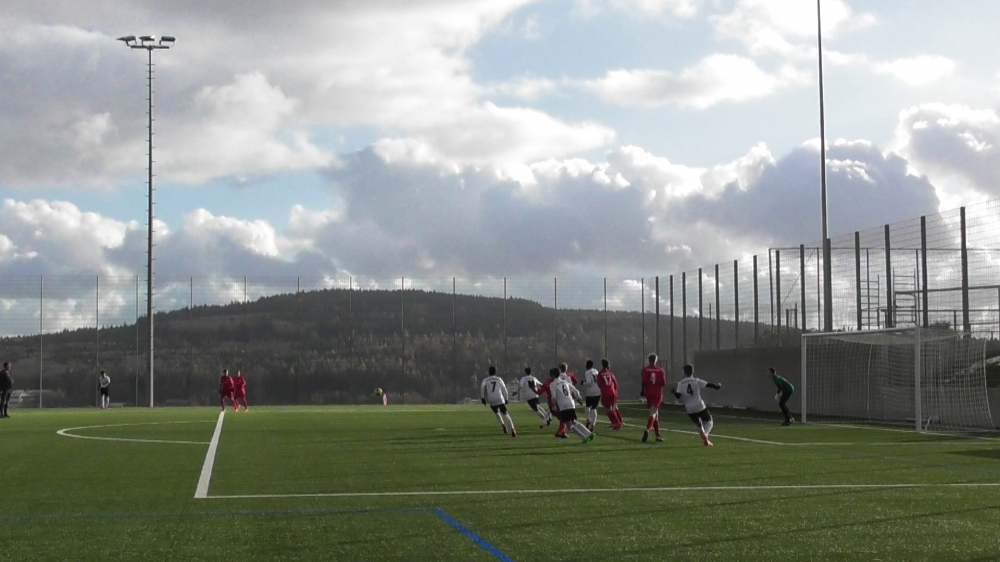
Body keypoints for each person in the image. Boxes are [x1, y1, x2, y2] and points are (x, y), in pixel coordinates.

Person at [673, 364, 722, 447]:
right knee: (709, 421)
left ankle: (705, 438)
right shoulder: (696, 380)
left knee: (699, 424)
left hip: (689, 408)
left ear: (684, 372)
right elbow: (708, 385)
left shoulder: (680, 383)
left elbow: (678, 396)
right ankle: (706, 434)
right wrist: (717, 386)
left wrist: (674, 392)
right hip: (699, 405)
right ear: (692, 371)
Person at [548, 367, 594, 444]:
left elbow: (553, 396)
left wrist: (554, 405)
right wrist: (578, 397)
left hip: (563, 405)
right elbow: (575, 390)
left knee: (568, 424)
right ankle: (589, 433)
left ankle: (584, 437)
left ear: (552, 375)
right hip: (571, 403)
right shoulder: (565, 382)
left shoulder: (552, 384)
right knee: (573, 421)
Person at [481, 366, 516, 437]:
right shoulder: (499, 379)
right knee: (505, 414)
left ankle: (503, 425)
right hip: (500, 398)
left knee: (496, 413)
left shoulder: (485, 380)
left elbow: (482, 387)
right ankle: (512, 429)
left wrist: (482, 397)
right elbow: (504, 389)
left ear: (489, 372)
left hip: (491, 399)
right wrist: (506, 398)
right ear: (495, 372)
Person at [639, 353, 666, 443]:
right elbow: (663, 383)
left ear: (649, 360)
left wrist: (643, 391)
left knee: (655, 413)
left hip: (649, 393)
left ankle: (658, 435)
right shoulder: (660, 370)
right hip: (657, 393)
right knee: (653, 412)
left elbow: (643, 381)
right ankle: (647, 430)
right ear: (656, 360)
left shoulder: (645, 370)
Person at [596, 359, 623, 430]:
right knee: (614, 407)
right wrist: (615, 390)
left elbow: (599, 384)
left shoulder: (600, 374)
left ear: (602, 365)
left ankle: (616, 423)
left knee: (609, 409)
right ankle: (620, 421)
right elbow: (615, 383)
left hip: (606, 392)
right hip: (613, 392)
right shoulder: (610, 373)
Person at [581, 359, 602, 431]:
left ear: (587, 365)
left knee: (587, 406)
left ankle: (588, 420)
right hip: (598, 392)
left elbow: (589, 383)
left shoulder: (587, 372)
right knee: (594, 408)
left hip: (590, 392)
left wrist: (583, 383)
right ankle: (593, 424)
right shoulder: (596, 371)